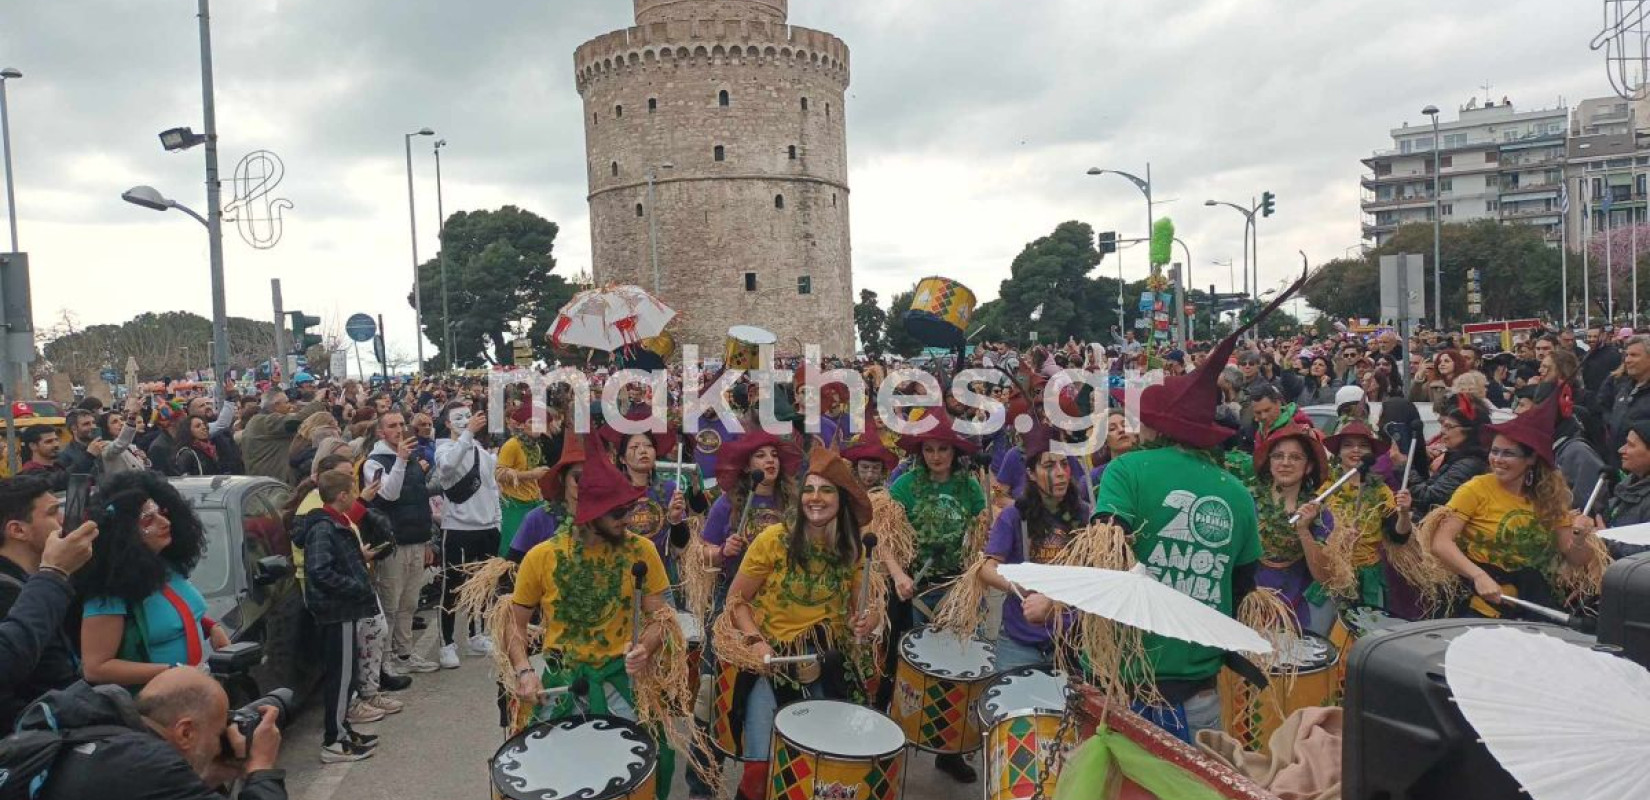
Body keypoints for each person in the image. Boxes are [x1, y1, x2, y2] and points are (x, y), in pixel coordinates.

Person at [1091, 282, 1294, 744]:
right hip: (1201, 688)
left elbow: (1103, 553)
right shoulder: (1237, 493)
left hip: (1128, 679)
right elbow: (1243, 589)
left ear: (1158, 425)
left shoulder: (1127, 471)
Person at [502, 436, 673, 791]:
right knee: (549, 778)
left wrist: (646, 646)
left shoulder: (641, 552)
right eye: (617, 510)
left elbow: (661, 617)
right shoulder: (541, 556)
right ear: (592, 512)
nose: (628, 516)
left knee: (643, 776)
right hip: (561, 685)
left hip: (621, 686)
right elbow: (514, 624)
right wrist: (523, 672)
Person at [720, 448, 878, 800]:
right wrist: (755, 641)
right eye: (809, 489)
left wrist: (867, 622)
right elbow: (736, 602)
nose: (815, 498)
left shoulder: (852, 548)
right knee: (760, 766)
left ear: (841, 500)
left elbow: (862, 610)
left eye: (826, 490)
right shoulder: (773, 539)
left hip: (827, 661)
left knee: (821, 759)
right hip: (772, 661)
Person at [1416, 394, 1605, 617]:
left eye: (1508, 453)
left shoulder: (1549, 497)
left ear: (1531, 459)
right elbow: (1441, 543)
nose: (1497, 459)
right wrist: (1478, 576)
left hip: (1531, 600)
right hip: (1478, 600)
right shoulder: (1476, 488)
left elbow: (1576, 558)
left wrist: (1581, 537)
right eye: (1494, 451)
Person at [31, 667, 287, 800]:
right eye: (218, 732)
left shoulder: (106, 737)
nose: (221, 743)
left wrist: (209, 776)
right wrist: (261, 767)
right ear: (185, 732)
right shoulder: (148, 766)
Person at [79, 472, 229, 687]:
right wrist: (173, 671)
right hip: (151, 710)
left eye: (162, 512)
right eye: (149, 519)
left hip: (192, 696)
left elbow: (176, 613)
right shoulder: (109, 594)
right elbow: (95, 668)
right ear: (125, 532)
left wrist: (211, 627)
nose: (165, 522)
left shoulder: (165, 567)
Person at [976, 422, 1086, 670]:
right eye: (1049, 466)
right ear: (1031, 474)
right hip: (1019, 644)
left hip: (1071, 643)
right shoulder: (1014, 516)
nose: (1060, 473)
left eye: (1064, 464)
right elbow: (986, 567)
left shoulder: (1085, 516)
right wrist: (1019, 587)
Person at [293, 471, 382, 763]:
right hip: (337, 610)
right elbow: (319, 570)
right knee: (341, 677)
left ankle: (343, 728)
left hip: (343, 609)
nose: (355, 494)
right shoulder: (324, 527)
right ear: (342, 495)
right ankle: (334, 740)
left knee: (346, 674)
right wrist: (355, 588)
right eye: (351, 490)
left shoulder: (334, 523)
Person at [0, 475, 99, 733]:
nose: (63, 521)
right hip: (36, 742)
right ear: (18, 530)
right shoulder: (8, 592)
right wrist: (55, 572)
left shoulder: (40, 582)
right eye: (53, 513)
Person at [361, 411, 440, 676]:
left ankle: (405, 653)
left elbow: (420, 499)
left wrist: (428, 539)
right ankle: (385, 660)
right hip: (392, 542)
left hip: (416, 539)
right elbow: (389, 495)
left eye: (401, 425)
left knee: (410, 602)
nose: (399, 430)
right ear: (381, 433)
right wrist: (401, 462)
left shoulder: (412, 458)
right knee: (390, 604)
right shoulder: (374, 462)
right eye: (392, 426)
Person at [431, 403, 501, 669]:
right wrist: (467, 434)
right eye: (457, 418)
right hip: (458, 529)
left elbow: (492, 489)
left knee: (482, 586)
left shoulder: (481, 452)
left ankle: (477, 635)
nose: (465, 420)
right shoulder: (444, 449)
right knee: (452, 587)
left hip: (486, 528)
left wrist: (497, 523)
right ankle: (447, 644)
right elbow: (447, 468)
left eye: (467, 416)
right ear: (448, 424)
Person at [1248, 424, 1335, 633]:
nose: (1285, 463)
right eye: (1278, 456)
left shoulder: (1320, 515)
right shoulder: (1247, 502)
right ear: (1269, 463)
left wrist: (1304, 531)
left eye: (1296, 457)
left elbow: (1324, 577)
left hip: (1293, 619)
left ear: (1309, 467)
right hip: (1246, 613)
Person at [1321, 420, 1410, 613]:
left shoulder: (1381, 490)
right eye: (1348, 445)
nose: (1356, 450)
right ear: (1338, 452)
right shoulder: (1326, 488)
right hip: (1332, 573)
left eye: (1363, 446)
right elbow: (1314, 533)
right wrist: (1337, 538)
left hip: (1370, 575)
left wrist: (1404, 515)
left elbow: (1399, 537)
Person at [1395, 395, 1491, 515]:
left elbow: (1430, 499)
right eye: (1442, 425)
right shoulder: (1457, 455)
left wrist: (1404, 466)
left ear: (1469, 431)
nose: (1442, 431)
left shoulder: (1469, 464)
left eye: (1448, 426)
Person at [507, 430, 585, 562]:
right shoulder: (538, 519)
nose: (585, 483)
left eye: (593, 477)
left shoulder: (604, 520)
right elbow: (513, 566)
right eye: (578, 477)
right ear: (562, 478)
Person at [496, 402, 553, 559]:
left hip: (534, 502)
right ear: (521, 426)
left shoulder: (536, 447)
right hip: (514, 504)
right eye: (531, 422)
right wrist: (531, 475)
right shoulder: (511, 445)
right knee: (511, 548)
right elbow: (499, 474)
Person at [243, 387, 332, 484]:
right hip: (271, 482)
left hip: (267, 480)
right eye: (286, 402)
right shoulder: (266, 421)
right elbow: (296, 421)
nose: (290, 406)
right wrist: (317, 401)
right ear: (276, 405)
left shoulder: (260, 420)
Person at [1607, 336, 1650, 466]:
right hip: (1620, 468)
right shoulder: (1624, 388)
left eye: (1634, 355)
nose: (1627, 360)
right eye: (1626, 355)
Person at [55, 408, 101, 475]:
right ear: (74, 428)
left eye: (93, 423)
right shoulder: (65, 455)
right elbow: (67, 477)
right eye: (86, 424)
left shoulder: (101, 447)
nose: (93, 426)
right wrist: (89, 456)